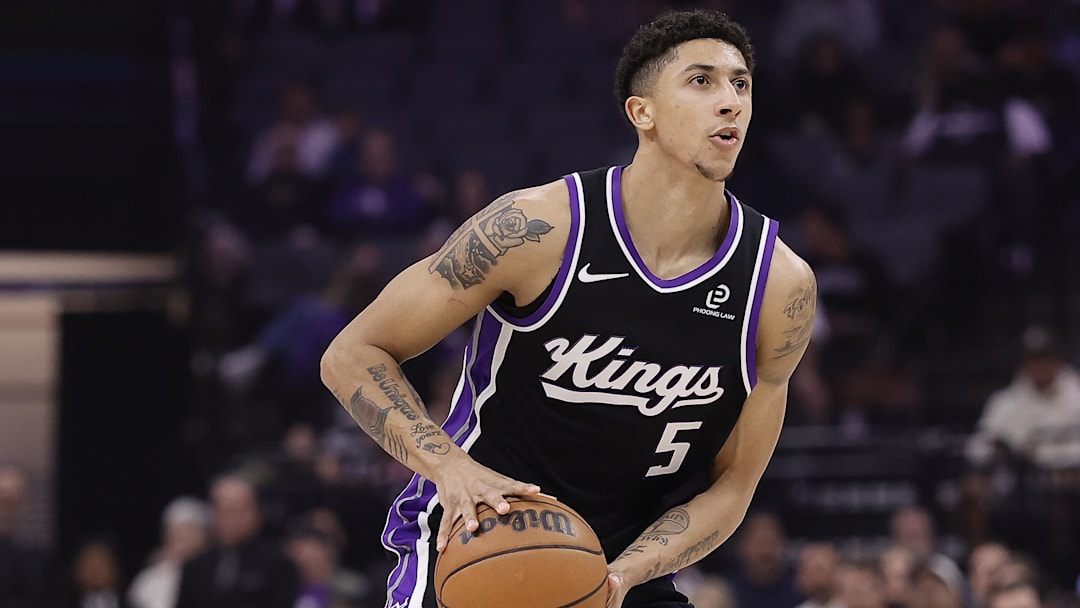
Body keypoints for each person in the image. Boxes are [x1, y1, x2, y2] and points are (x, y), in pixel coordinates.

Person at [320, 9, 817, 608]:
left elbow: (733, 486)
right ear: (642, 113)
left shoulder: (779, 286)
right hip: (480, 531)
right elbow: (352, 354)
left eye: (741, 84)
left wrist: (623, 576)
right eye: (701, 81)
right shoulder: (537, 229)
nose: (730, 101)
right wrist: (450, 468)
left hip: (625, 565)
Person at [174, 474, 299, 608]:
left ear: (257, 513)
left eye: (241, 510)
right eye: (225, 510)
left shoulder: (279, 565)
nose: (234, 519)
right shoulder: (194, 568)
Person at [127, 497, 210, 608]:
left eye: (189, 535)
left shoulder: (213, 578)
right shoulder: (149, 579)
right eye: (177, 535)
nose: (183, 543)